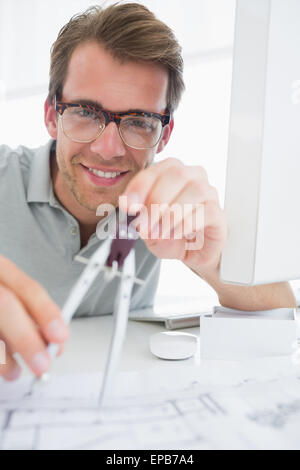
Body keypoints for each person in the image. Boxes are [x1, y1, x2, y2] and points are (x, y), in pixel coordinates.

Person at [0, 3, 295, 382]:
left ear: (164, 134)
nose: (109, 149)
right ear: (51, 115)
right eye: (86, 112)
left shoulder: (164, 202)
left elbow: (283, 319)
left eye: (139, 121)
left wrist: (212, 256)